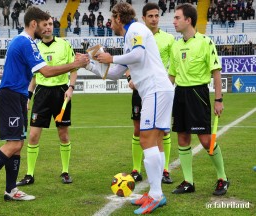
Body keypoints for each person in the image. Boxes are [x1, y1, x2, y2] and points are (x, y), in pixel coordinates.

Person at [0, 6, 89, 208]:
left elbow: (36, 73)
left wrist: (27, 96)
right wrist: (75, 64)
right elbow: (46, 72)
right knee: (14, 145)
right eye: (43, 25)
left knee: (18, 146)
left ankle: (11, 190)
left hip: (18, 96)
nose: (46, 29)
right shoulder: (25, 42)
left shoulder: (28, 43)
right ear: (33, 23)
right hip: (10, 95)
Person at [86, 2, 174, 214]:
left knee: (146, 139)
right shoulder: (131, 36)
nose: (110, 23)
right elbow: (116, 72)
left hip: (155, 89)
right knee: (155, 140)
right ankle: (156, 193)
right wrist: (88, 64)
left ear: (118, 17)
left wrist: (111, 57)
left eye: (112, 18)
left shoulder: (135, 29)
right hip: (157, 90)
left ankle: (155, 195)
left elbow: (139, 55)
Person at [169, 3, 229, 196]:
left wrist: (218, 99)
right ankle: (188, 182)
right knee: (183, 137)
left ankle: (223, 178)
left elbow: (216, 72)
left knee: (205, 140)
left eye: (177, 18)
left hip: (198, 94)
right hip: (180, 94)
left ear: (188, 20)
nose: (174, 21)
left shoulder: (205, 42)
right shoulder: (176, 46)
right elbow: (171, 75)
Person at [16, 17, 77, 186]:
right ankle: (29, 174)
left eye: (51, 24)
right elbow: (34, 77)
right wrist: (28, 96)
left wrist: (71, 87)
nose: (48, 27)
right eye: (45, 25)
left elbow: (73, 68)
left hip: (61, 92)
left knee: (63, 134)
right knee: (33, 135)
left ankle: (65, 171)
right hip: (41, 93)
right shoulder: (34, 47)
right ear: (39, 27)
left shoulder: (64, 45)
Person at [128, 2, 175, 184]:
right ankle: (136, 169)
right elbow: (129, 62)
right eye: (150, 16)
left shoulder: (169, 39)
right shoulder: (136, 36)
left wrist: (168, 84)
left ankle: (164, 170)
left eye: (157, 16)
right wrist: (129, 79)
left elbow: (174, 64)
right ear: (144, 18)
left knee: (162, 132)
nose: (154, 19)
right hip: (141, 89)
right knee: (138, 129)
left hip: (159, 90)